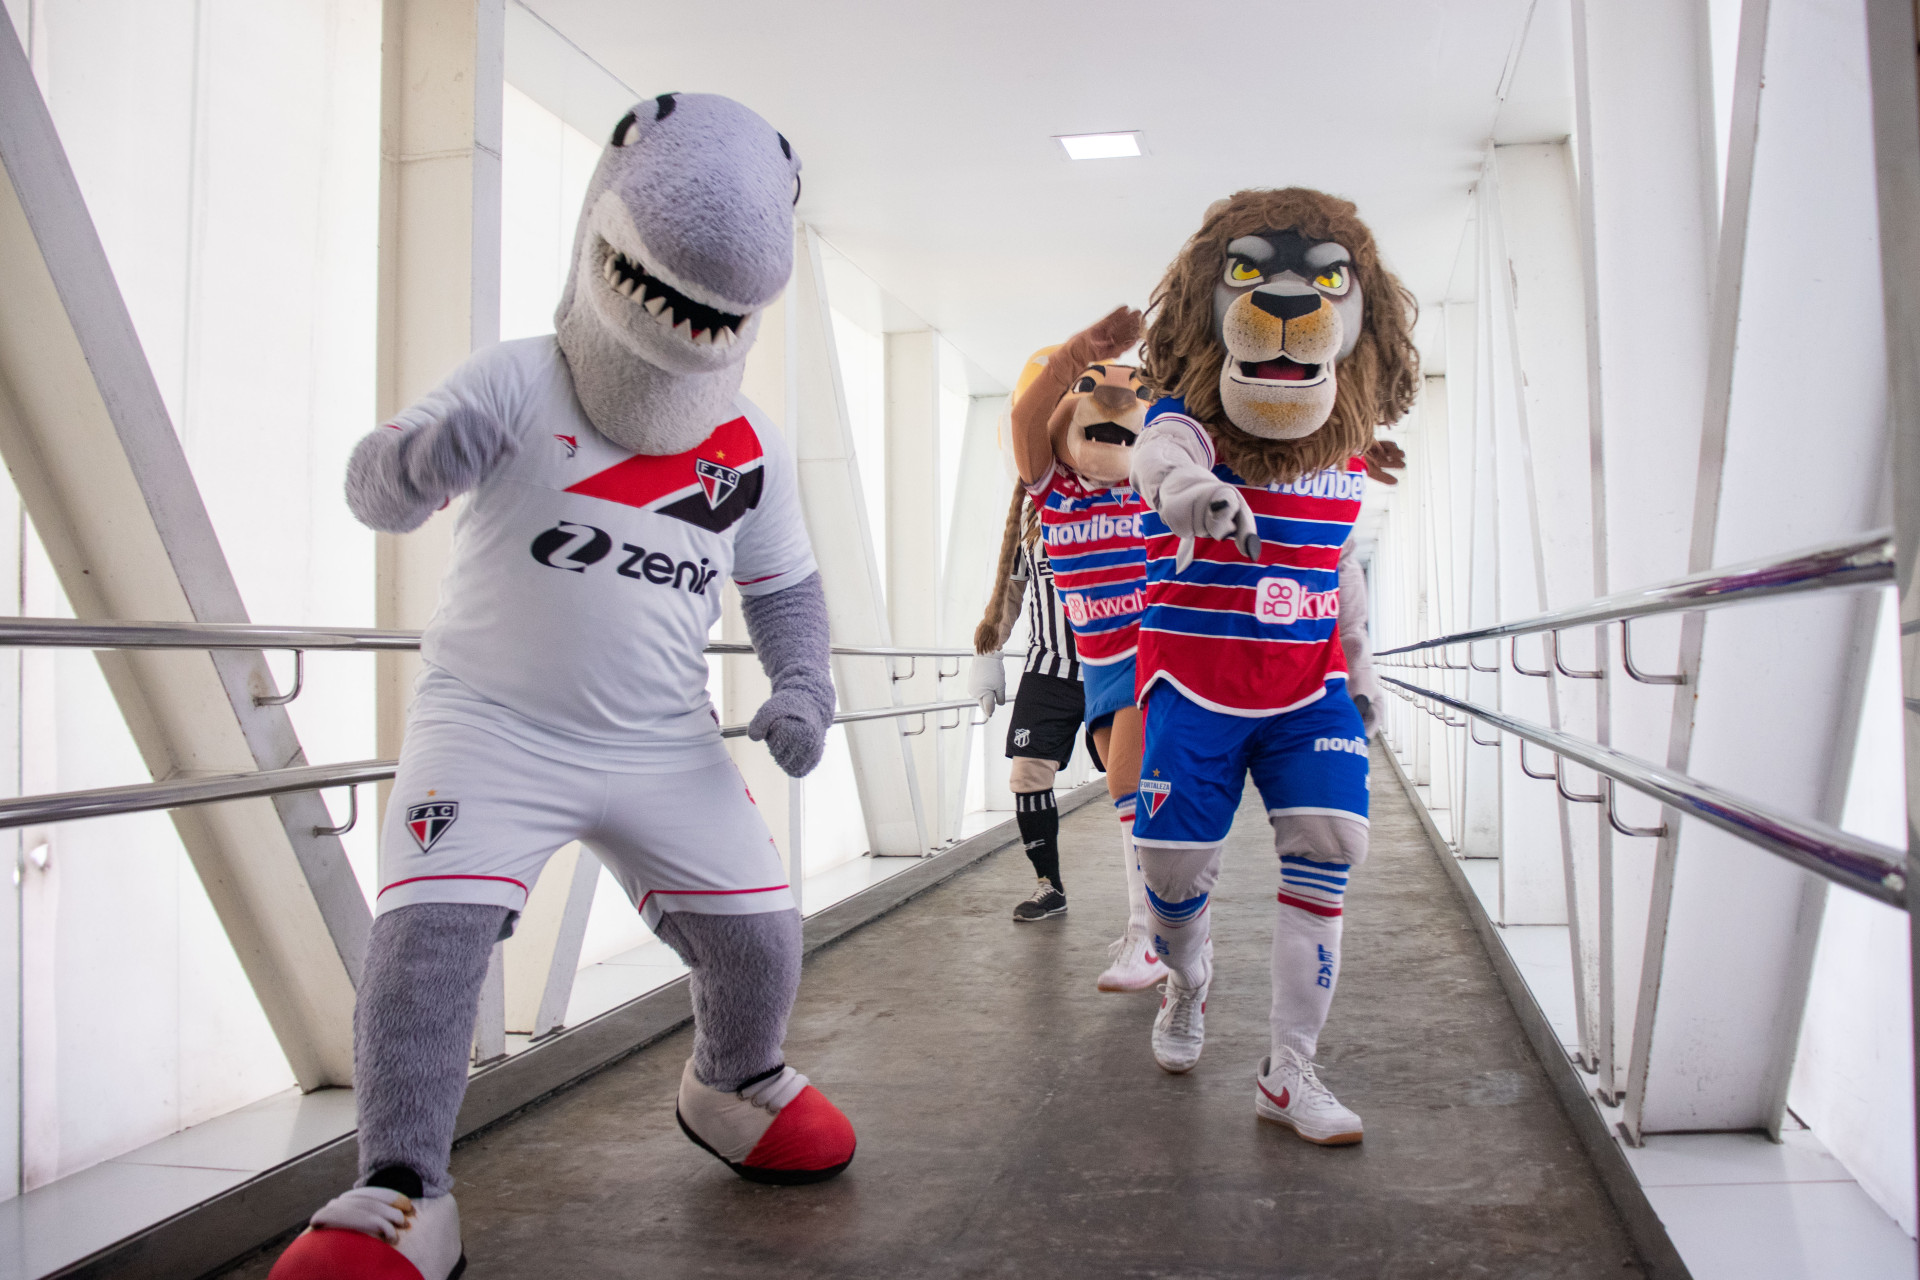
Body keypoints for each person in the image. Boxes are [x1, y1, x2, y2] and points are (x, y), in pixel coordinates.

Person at [1127, 188, 1420, 1146]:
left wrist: (1361, 669)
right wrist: (1200, 498)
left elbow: (1339, 569)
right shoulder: (1185, 423)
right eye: (1250, 275)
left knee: (1332, 847)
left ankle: (1289, 1072)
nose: (1294, 307)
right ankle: (1187, 980)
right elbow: (1158, 465)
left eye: (1327, 286)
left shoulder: (1346, 452)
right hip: (1194, 683)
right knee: (1173, 879)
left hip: (1306, 687)